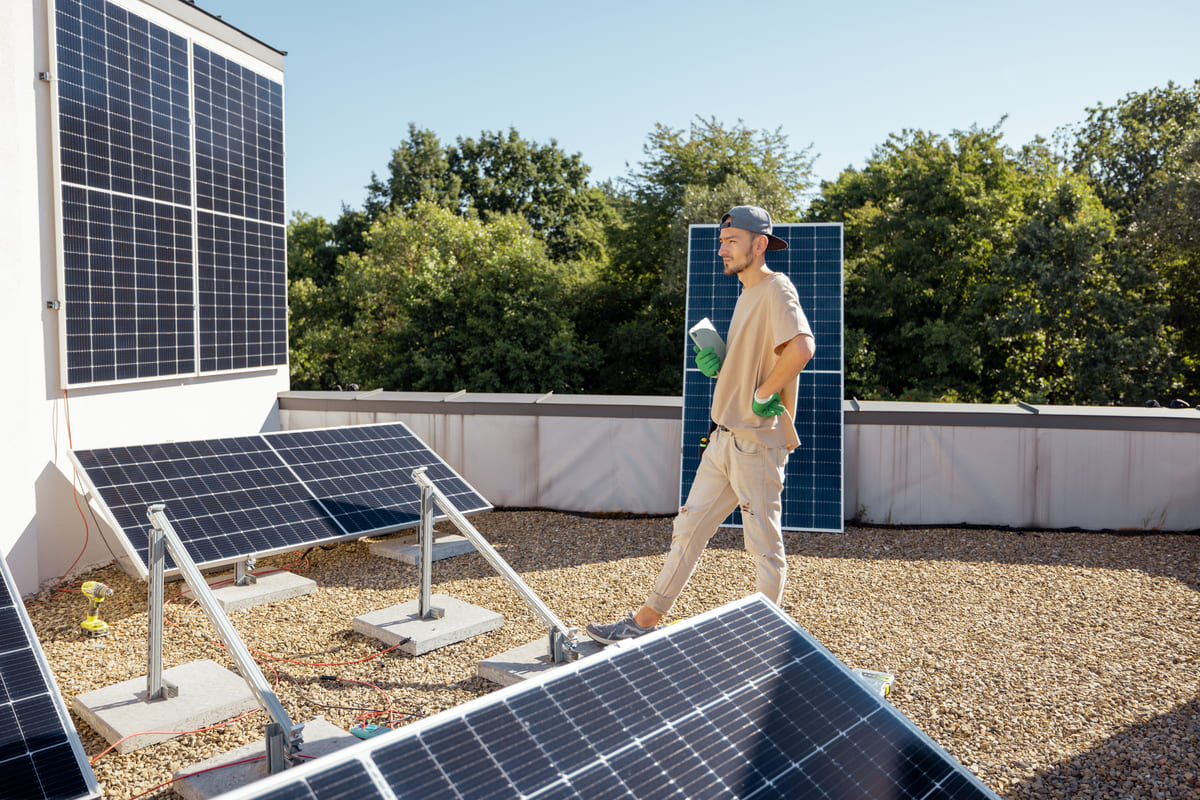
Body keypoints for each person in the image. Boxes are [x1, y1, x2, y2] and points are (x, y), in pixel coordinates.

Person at [586, 205, 816, 644]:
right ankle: (641, 624)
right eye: (721, 241)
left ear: (759, 244)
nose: (721, 250)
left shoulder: (775, 289)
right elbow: (756, 359)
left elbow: (802, 348)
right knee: (688, 529)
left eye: (731, 241)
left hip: (757, 444)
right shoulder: (748, 293)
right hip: (723, 441)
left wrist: (765, 394)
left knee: (764, 548)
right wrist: (724, 366)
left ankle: (765, 643)